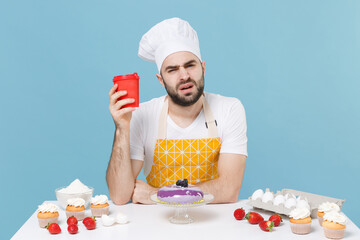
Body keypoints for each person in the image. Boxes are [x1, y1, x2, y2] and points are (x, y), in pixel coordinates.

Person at [106, 17, 247, 205]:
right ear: (160, 80)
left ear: (203, 68)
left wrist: (156, 195)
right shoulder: (142, 115)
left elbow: (229, 190)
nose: (184, 76)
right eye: (172, 70)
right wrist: (122, 127)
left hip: (212, 223)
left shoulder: (229, 109)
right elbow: (119, 196)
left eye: (190, 65)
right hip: (157, 226)